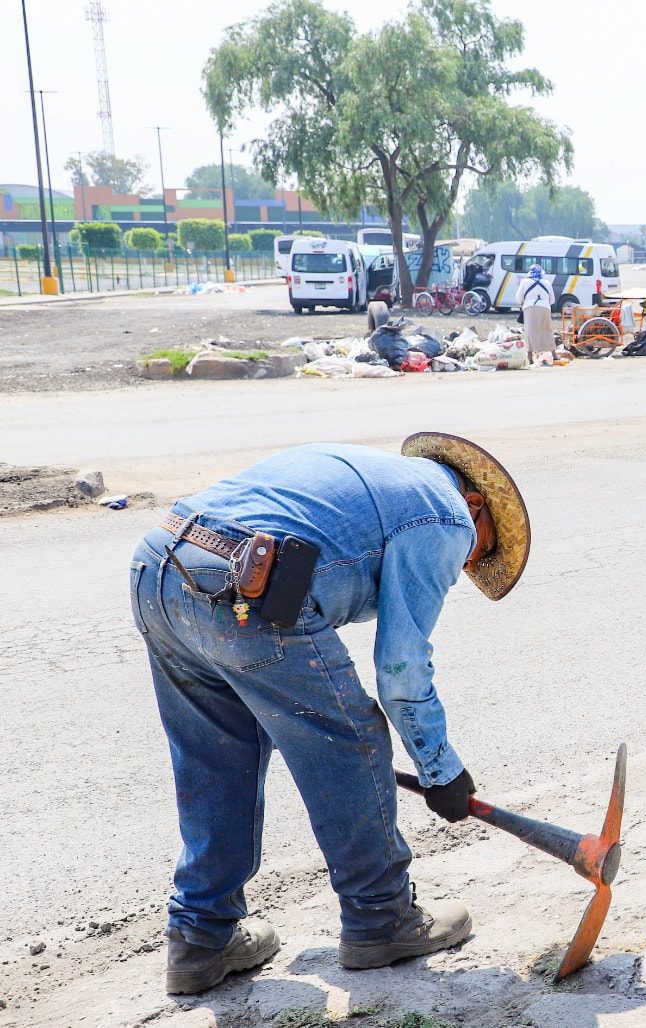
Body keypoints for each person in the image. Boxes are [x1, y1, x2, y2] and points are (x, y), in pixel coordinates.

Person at [130, 435, 531, 995]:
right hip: (254, 583)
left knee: (217, 755)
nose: (464, 563)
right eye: (478, 552)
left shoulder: (367, 476)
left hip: (159, 566)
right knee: (351, 741)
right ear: (475, 506)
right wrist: (441, 769)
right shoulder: (444, 516)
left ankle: (200, 937)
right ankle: (380, 918)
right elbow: (400, 670)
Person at [515, 264, 557, 364]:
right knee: (547, 330)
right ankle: (554, 355)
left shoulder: (525, 282)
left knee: (530, 332)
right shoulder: (547, 282)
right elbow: (552, 300)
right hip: (545, 308)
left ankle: (530, 358)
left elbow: (518, 298)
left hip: (530, 308)